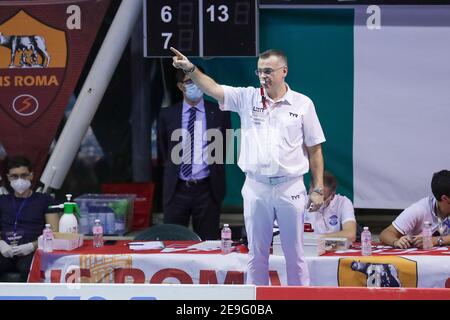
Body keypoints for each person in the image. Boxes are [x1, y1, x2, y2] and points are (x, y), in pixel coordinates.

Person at [170, 47, 325, 286]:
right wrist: (190, 68)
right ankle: (257, 304)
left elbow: (315, 149)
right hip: (256, 187)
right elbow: (212, 88)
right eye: (259, 71)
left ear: (284, 71)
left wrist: (317, 188)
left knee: (295, 254)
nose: (263, 76)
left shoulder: (303, 104)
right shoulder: (247, 97)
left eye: (268, 71)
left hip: (290, 187)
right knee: (256, 254)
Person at [157, 67, 231, 240]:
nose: (195, 85)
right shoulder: (167, 115)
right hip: (177, 189)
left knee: (208, 243)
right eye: (190, 82)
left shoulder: (219, 113)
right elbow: (163, 151)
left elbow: (223, 148)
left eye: (198, 80)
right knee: (173, 242)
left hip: (207, 189)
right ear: (180, 86)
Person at [0, 156, 59, 281]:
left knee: (28, 268)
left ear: (31, 176)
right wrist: (1, 243)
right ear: (8, 177)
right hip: (6, 250)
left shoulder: (45, 200)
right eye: (14, 176)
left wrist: (32, 246)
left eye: (24, 175)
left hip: (33, 250)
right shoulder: (2, 201)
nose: (19, 180)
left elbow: (55, 232)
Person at [380, 170, 450, 249]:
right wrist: (397, 241)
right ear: (445, 198)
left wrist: (437, 240)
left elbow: (436, 240)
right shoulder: (419, 209)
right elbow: (385, 234)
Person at [304, 171, 357, 242]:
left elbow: (350, 235)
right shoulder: (301, 203)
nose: (316, 201)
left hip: (333, 248)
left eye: (322, 198)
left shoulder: (343, 202)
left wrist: (317, 238)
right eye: (314, 195)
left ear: (332, 196)